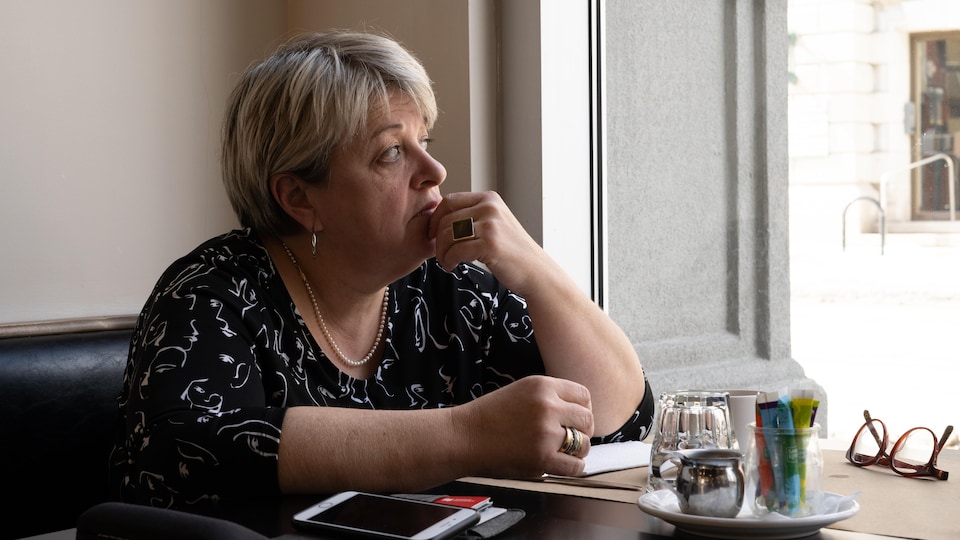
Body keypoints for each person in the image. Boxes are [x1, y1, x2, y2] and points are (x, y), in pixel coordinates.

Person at [109, 29, 654, 510]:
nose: (435, 170)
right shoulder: (210, 293)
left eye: (426, 142)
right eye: (391, 152)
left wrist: (538, 271)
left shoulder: (453, 285)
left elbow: (615, 421)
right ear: (300, 197)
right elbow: (189, 452)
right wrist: (468, 434)